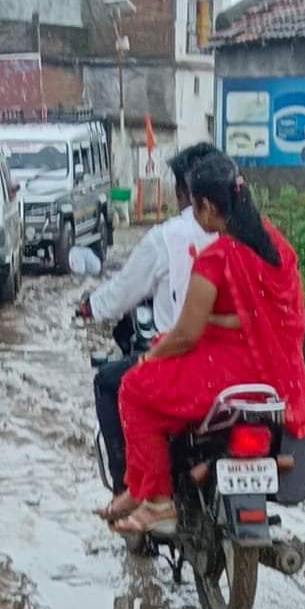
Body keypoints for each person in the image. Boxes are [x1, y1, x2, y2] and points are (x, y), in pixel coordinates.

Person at [114, 151, 305, 538]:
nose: (194, 216)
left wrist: (149, 358)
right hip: (278, 374)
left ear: (208, 206)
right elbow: (264, 317)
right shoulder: (276, 246)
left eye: (195, 207)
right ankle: (141, 488)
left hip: (226, 374)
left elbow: (185, 335)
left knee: (133, 387)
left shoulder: (218, 258)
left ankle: (158, 501)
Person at [75, 141, 217, 513]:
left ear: (185, 192)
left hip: (186, 359)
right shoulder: (252, 236)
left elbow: (124, 291)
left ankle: (134, 491)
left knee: (114, 383)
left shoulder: (171, 236)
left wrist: (91, 306)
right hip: (249, 366)